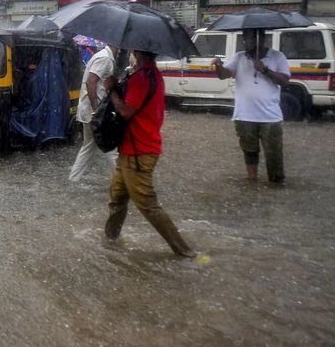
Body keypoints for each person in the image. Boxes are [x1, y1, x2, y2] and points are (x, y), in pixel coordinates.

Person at [102, 49, 196, 258]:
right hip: (131, 150)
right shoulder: (150, 74)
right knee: (117, 199)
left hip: (138, 152)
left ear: (136, 52)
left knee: (148, 205)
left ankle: (185, 252)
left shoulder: (143, 77)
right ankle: (110, 241)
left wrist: (112, 90)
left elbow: (126, 111)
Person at [212, 28, 290, 183]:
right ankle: (252, 181)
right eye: (245, 39)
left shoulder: (277, 56)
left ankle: (276, 184)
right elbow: (224, 75)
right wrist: (218, 66)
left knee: (274, 153)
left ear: (261, 39)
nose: (247, 43)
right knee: (249, 151)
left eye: (250, 39)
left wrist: (265, 70)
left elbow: (285, 81)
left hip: (270, 116)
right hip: (244, 115)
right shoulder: (239, 57)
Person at [68, 44, 119, 182]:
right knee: (110, 147)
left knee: (89, 146)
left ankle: (74, 178)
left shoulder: (103, 56)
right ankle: (122, 184)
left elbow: (98, 83)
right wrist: (97, 110)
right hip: (95, 112)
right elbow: (91, 82)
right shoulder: (105, 59)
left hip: (90, 111)